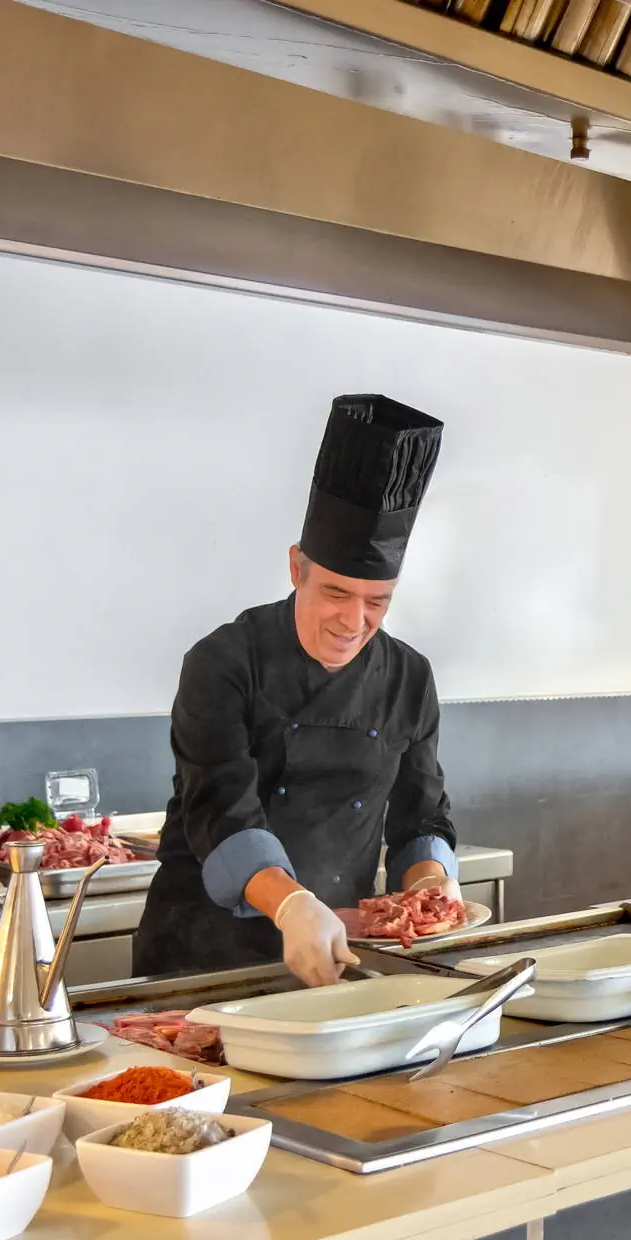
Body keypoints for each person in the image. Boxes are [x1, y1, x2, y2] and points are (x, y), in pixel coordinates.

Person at [133, 394, 460, 985]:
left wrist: (432, 888)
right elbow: (221, 809)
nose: (354, 621)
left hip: (336, 949)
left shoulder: (410, 677)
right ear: (295, 568)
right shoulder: (223, 662)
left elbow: (421, 816)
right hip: (202, 957)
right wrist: (291, 906)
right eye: (336, 593)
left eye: (377, 602)